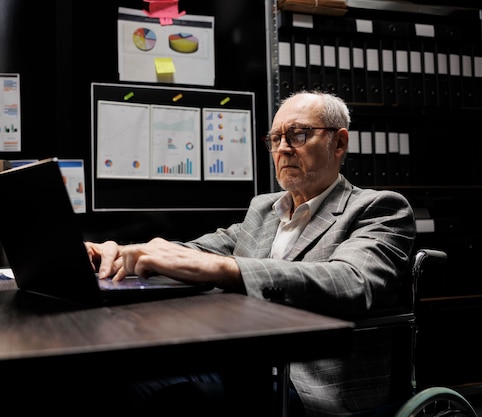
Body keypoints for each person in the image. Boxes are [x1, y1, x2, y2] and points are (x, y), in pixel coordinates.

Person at [85, 91, 416, 417]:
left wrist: (225, 269)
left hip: (308, 382)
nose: (283, 148)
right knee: (117, 382)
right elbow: (196, 252)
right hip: (245, 365)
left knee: (176, 399)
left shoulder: (379, 208)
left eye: (298, 135)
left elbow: (351, 281)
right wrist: (117, 254)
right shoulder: (265, 209)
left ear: (339, 143)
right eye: (275, 139)